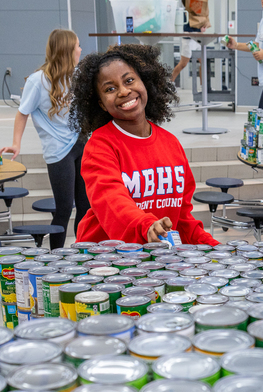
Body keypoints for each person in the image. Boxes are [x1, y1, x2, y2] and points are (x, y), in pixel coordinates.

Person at [68, 44, 217, 246]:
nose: (123, 91)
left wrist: (213, 247)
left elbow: (181, 219)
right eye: (110, 89)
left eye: (129, 80)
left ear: (145, 82)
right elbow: (112, 202)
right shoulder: (100, 146)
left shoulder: (170, 143)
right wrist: (146, 226)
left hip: (155, 260)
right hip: (106, 261)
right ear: (101, 103)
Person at [0, 29, 87, 249]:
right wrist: (16, 143)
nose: (81, 49)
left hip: (82, 144)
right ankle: (57, 256)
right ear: (67, 50)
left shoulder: (78, 76)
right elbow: (23, 112)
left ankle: (84, 253)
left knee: (86, 208)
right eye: (77, 45)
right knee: (64, 208)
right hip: (58, 151)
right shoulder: (38, 80)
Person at [171, 0, 209, 84]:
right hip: (189, 40)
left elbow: (202, 26)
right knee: (183, 64)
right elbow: (184, 27)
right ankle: (169, 83)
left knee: (203, 63)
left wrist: (203, 28)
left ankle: (203, 86)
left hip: (199, 40)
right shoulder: (183, 13)